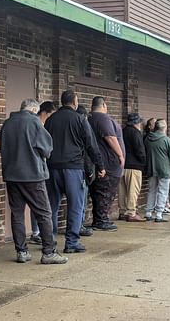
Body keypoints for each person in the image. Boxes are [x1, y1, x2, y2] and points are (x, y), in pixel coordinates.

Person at [0, 99, 69, 265]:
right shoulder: (34, 123)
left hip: (11, 175)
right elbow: (47, 150)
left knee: (17, 214)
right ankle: (49, 252)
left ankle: (21, 252)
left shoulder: (7, 124)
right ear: (33, 110)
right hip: (32, 175)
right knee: (44, 213)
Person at [44, 90, 104, 254]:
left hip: (52, 168)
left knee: (52, 207)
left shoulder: (50, 120)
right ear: (75, 102)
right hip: (73, 168)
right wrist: (100, 166)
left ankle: (50, 242)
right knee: (75, 206)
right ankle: (72, 242)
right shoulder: (79, 119)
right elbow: (91, 145)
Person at [87, 96, 126, 231]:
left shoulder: (89, 118)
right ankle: (101, 220)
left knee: (99, 193)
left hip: (99, 163)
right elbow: (110, 137)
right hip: (108, 164)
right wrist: (120, 155)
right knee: (106, 192)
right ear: (104, 105)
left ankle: (99, 219)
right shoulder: (103, 119)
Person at [28, 101, 59, 246]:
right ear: (45, 113)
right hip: (37, 170)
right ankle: (37, 233)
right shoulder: (37, 125)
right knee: (41, 205)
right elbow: (45, 150)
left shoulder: (35, 125)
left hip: (33, 170)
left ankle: (37, 232)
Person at [143, 119, 170, 222]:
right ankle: (159, 214)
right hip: (164, 169)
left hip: (151, 168)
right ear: (164, 128)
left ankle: (148, 212)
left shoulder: (147, 139)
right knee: (163, 191)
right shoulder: (166, 140)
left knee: (151, 190)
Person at [118, 113, 147, 222]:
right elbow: (139, 150)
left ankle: (122, 211)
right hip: (134, 166)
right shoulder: (136, 133)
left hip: (123, 165)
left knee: (122, 190)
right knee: (132, 190)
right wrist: (144, 162)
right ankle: (131, 213)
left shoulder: (123, 131)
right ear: (137, 123)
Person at [76, 105, 96, 237]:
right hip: (81, 170)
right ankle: (79, 226)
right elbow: (88, 152)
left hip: (69, 168)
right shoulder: (83, 127)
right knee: (80, 201)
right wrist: (90, 171)